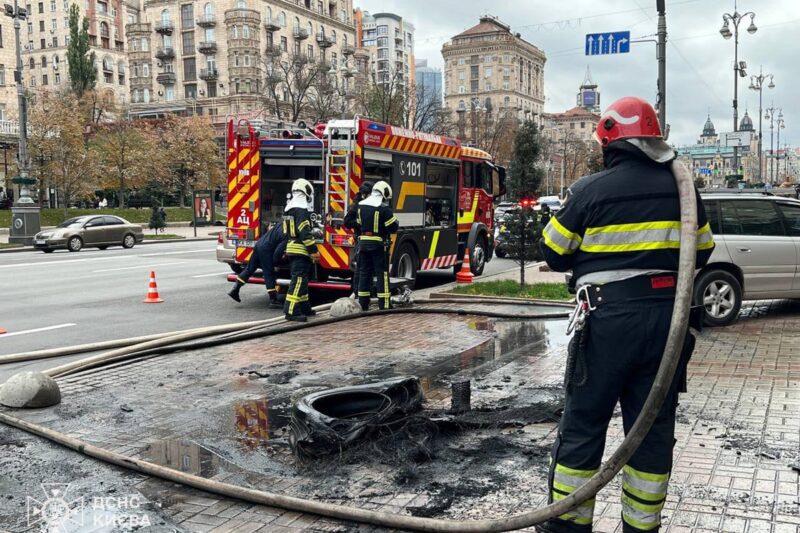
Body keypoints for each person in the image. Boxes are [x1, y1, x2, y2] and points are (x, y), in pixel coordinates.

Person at [537, 96, 715, 533]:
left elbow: (553, 252)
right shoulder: (683, 189)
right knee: (651, 431)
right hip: (668, 325)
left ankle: (567, 526)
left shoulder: (590, 190)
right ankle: (641, 525)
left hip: (607, 322)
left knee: (584, 425)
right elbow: (703, 250)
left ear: (609, 142)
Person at [344, 180, 398, 311]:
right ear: (384, 193)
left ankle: (363, 304)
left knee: (364, 273)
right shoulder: (383, 208)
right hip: (378, 245)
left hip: (362, 243)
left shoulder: (360, 206)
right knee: (382, 274)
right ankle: (384, 304)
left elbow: (354, 222)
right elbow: (393, 227)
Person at [227, 221, 288, 308]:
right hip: (266, 249)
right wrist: (275, 264)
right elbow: (277, 253)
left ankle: (235, 289)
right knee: (269, 272)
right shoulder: (288, 234)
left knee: (250, 268)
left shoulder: (281, 225)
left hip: (259, 244)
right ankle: (273, 300)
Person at [283, 178, 318, 322]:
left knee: (302, 280)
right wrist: (313, 250)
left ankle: (305, 307)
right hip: (300, 250)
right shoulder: (301, 210)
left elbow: (286, 231)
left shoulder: (289, 208)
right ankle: (291, 310)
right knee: (298, 280)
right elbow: (304, 232)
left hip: (292, 247)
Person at [344, 181, 374, 295]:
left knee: (368, 268)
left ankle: (368, 291)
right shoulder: (356, 206)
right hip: (360, 240)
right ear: (364, 194)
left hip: (369, 240)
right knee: (360, 267)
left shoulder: (369, 203)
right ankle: (357, 292)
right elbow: (347, 222)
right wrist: (360, 222)